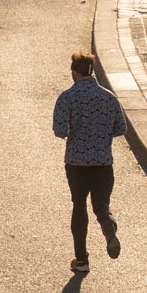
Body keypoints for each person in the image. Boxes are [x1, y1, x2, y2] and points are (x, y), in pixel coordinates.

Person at [52, 51, 128, 274]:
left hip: (77, 163)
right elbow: (121, 128)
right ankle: (108, 225)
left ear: (75, 73)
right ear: (92, 71)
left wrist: (75, 133)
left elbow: (59, 130)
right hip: (103, 163)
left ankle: (82, 259)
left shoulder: (67, 97)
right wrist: (101, 135)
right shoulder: (109, 97)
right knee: (101, 205)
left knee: (79, 206)